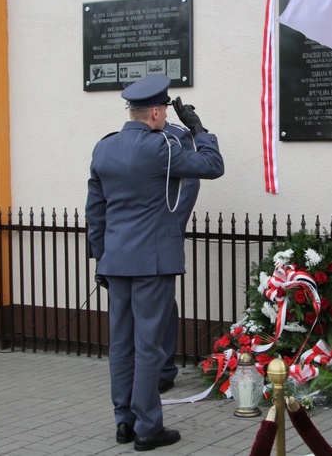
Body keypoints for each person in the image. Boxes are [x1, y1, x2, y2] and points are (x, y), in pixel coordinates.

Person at [86, 75, 224, 451]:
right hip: (153, 263)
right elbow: (212, 166)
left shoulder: (105, 148)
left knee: (121, 345)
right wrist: (198, 128)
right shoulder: (161, 147)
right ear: (159, 112)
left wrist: (100, 257)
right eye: (165, 111)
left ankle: (124, 422)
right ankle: (148, 427)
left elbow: (95, 211)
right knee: (149, 346)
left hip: (116, 261)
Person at [158, 122, 200, 395]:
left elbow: (188, 185)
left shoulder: (174, 136)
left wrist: (172, 226)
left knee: (162, 306)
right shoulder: (130, 141)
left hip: (161, 238)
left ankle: (163, 369)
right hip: (134, 245)